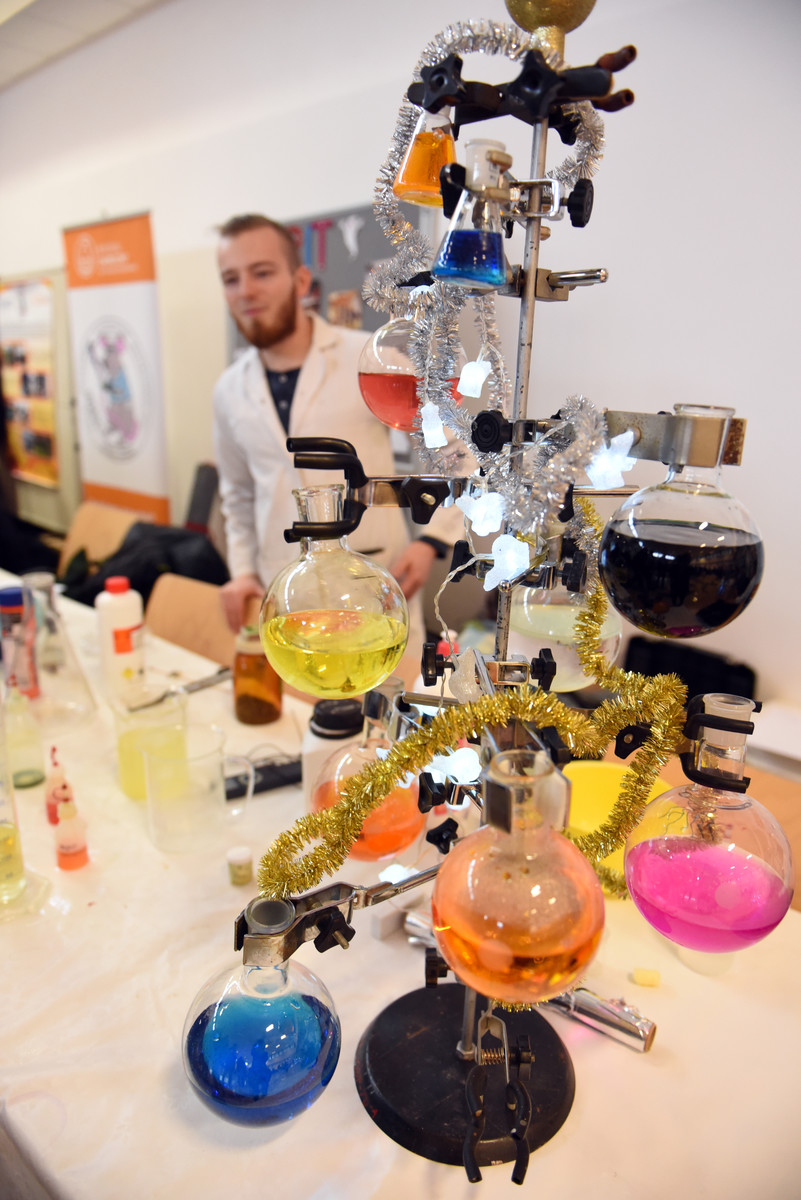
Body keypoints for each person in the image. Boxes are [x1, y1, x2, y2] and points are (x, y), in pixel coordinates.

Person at [212, 214, 459, 656]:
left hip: (374, 585)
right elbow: (238, 495)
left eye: (262, 273)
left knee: (384, 696)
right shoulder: (228, 389)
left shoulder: (372, 358)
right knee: (298, 697)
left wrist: (432, 541)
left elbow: (454, 452)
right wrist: (242, 571)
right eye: (231, 279)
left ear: (301, 280)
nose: (245, 291)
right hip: (284, 593)